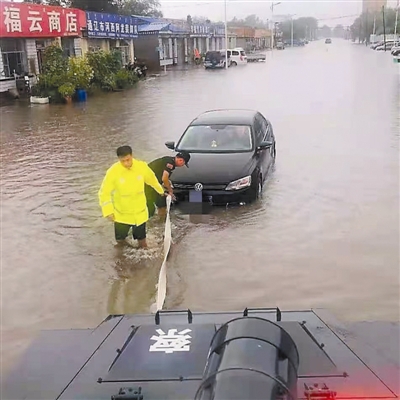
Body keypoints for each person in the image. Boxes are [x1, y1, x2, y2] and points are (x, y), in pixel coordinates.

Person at [98, 145, 166, 249]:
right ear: (119, 160)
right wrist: (108, 211)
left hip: (140, 214)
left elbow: (152, 180)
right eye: (123, 161)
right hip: (122, 215)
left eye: (128, 160)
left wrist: (161, 191)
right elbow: (104, 192)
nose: (126, 163)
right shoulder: (113, 172)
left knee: (142, 243)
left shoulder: (141, 167)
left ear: (132, 156)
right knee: (120, 241)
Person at [145, 151, 191, 217]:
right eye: (184, 163)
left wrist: (167, 184)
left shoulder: (168, 160)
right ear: (181, 160)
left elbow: (162, 176)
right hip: (147, 184)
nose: (182, 165)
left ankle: (160, 222)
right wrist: (170, 191)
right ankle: (153, 222)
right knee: (150, 208)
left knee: (162, 203)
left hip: (153, 183)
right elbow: (164, 178)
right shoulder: (170, 164)